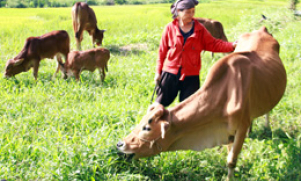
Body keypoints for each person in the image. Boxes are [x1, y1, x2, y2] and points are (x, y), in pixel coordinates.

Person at [150, 0, 236, 109]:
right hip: (170, 74)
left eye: (193, 11)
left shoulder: (200, 30)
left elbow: (214, 44)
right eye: (188, 12)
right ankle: (150, 125)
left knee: (189, 109)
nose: (192, 15)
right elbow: (162, 53)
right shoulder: (169, 28)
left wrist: (232, 45)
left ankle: (181, 126)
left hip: (191, 76)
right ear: (178, 12)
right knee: (159, 106)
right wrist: (158, 72)